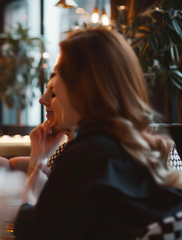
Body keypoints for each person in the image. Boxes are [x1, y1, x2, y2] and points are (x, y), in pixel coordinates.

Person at [15, 28, 182, 239]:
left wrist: (25, 203)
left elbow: (34, 235)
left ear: (82, 88)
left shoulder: (85, 157)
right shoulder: (138, 151)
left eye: (59, 75)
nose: (52, 89)